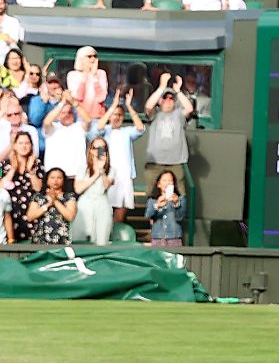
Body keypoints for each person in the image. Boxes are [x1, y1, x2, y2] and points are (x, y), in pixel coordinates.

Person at [90, 90, 144, 224]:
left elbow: (140, 128)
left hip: (124, 177)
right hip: (106, 176)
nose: (116, 117)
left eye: (119, 115)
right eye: (114, 114)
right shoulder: (105, 131)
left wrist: (129, 107)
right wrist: (112, 107)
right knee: (104, 211)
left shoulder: (126, 132)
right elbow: (98, 128)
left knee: (120, 213)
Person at [140, 74, 192, 199]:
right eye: (165, 98)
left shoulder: (178, 115)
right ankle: (153, 217)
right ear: (160, 100)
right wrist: (161, 87)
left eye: (171, 98)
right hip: (155, 162)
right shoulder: (155, 114)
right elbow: (148, 106)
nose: (168, 100)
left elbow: (189, 109)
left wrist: (178, 91)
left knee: (180, 194)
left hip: (176, 162)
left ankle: (176, 217)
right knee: (151, 194)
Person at [71, 136, 115, 245]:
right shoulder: (83, 168)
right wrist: (95, 174)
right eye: (96, 148)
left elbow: (106, 186)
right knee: (79, 238)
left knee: (102, 238)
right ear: (90, 150)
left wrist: (101, 170)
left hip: (102, 205)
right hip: (85, 204)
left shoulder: (111, 170)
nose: (98, 151)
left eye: (102, 148)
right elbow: (78, 189)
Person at [25, 167, 76, 245]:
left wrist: (55, 201)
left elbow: (70, 216)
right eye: (52, 177)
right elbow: (30, 217)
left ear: (63, 180)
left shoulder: (69, 197)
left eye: (59, 178)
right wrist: (48, 204)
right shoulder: (38, 196)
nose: (55, 180)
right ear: (47, 180)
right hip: (40, 239)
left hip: (62, 240)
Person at [145, 169, 184, 247]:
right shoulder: (152, 200)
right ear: (159, 184)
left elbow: (180, 217)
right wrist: (157, 205)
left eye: (170, 180)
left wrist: (176, 204)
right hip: (157, 237)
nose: (167, 183)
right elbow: (148, 215)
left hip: (174, 237)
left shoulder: (180, 199)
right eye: (164, 180)